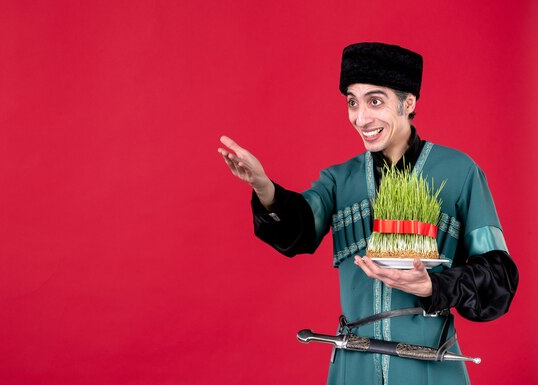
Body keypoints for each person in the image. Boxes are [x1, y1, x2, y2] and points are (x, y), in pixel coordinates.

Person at [218, 42, 519, 385]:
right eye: (352, 102)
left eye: (375, 101)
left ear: (408, 103)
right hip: (353, 366)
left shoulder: (460, 172)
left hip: (429, 365)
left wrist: (432, 284)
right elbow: (296, 230)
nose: (361, 118)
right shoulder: (338, 180)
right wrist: (264, 187)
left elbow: (499, 279)